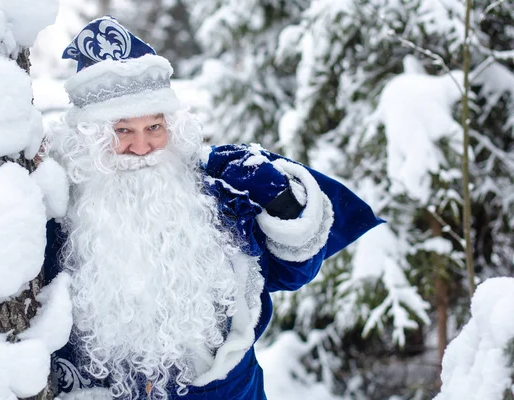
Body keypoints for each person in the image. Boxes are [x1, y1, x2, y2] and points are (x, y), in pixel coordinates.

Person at [44, 16, 381, 400]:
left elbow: (292, 272)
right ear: (89, 137)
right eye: (122, 131)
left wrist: (281, 201)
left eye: (154, 127)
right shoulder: (56, 212)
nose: (142, 148)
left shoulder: (214, 191)